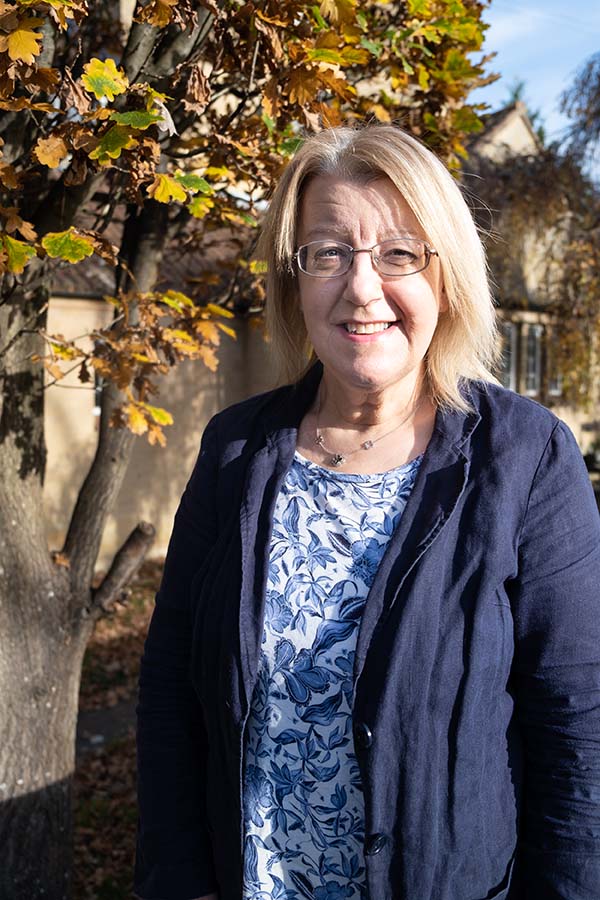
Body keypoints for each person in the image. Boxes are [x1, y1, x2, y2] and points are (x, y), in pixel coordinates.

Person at [134, 125, 600, 900]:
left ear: (446, 276)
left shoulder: (526, 459)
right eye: (328, 253)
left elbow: (578, 728)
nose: (361, 287)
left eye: (399, 253)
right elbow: (170, 691)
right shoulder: (235, 450)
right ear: (295, 283)